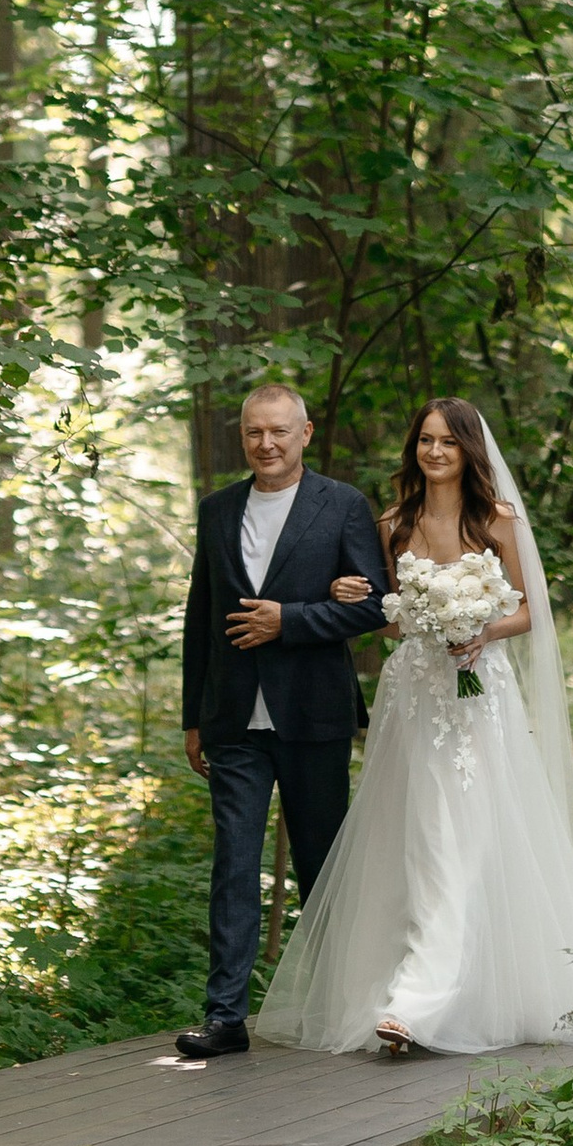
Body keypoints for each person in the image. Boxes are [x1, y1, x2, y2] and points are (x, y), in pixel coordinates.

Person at [253, 397, 573, 1058]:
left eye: (448, 442)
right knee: (421, 841)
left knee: (476, 840)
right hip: (415, 698)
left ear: (468, 450)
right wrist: (357, 601)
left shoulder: (498, 521)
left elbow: (531, 611)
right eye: (424, 440)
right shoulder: (392, 522)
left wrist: (479, 628)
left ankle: (431, 999)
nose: (434, 452)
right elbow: (390, 617)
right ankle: (410, 997)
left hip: (480, 699)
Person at [175, 380, 392, 1062]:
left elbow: (375, 606)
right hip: (233, 717)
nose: (265, 444)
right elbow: (200, 619)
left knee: (322, 865)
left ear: (306, 433)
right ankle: (225, 1016)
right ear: (243, 437)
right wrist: (193, 716)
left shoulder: (344, 506)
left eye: (278, 431)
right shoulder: (216, 511)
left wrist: (289, 621)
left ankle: (345, 1005)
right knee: (233, 864)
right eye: (253, 433)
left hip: (313, 712)